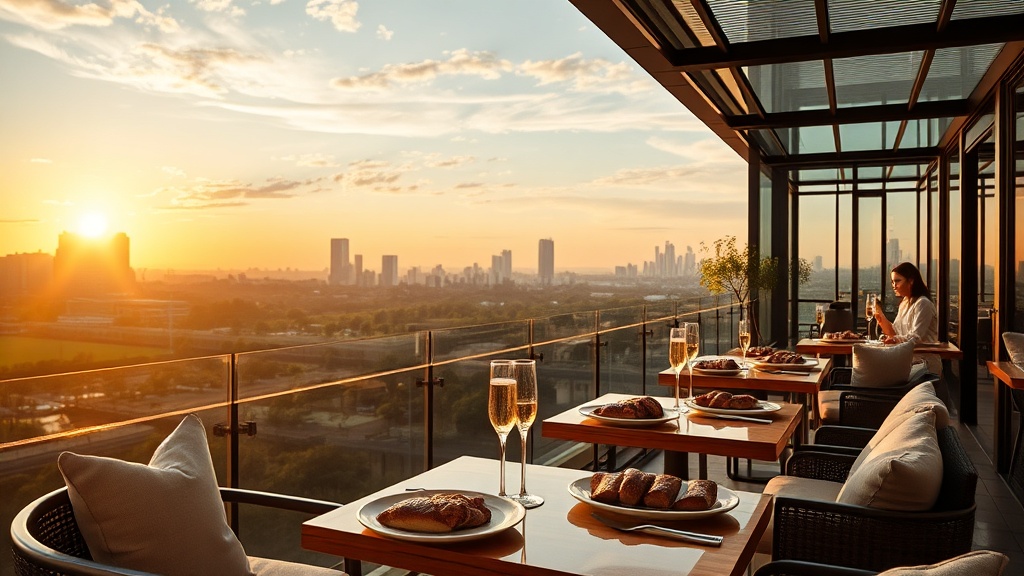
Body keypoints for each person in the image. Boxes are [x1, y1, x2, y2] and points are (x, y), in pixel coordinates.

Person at [873, 261, 941, 375]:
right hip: (908, 363)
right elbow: (894, 332)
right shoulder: (904, 303)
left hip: (924, 366)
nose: (894, 285)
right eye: (892, 282)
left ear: (911, 281)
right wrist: (880, 316)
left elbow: (916, 337)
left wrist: (894, 340)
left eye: (897, 281)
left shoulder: (923, 303)